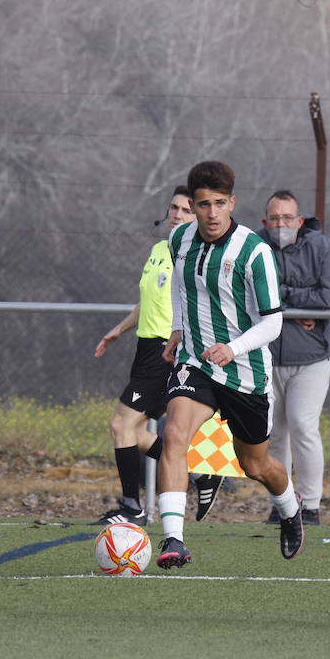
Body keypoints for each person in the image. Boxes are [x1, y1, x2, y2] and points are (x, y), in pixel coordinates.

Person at [155, 160, 304, 568]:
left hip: (245, 373)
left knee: (255, 465)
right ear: (193, 205)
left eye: (220, 203)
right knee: (174, 436)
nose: (212, 213)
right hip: (197, 363)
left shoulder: (254, 252)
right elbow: (184, 290)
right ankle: (173, 540)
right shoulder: (180, 240)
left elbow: (273, 322)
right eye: (203, 205)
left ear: (232, 202)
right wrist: (177, 329)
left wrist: (233, 348)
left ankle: (290, 511)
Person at [94, 187, 225, 524]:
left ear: (197, 216)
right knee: (132, 433)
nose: (178, 215)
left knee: (121, 424)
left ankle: (132, 508)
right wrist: (119, 330)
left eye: (186, 210)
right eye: (174, 208)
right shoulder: (158, 250)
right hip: (144, 348)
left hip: (166, 351)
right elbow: (146, 301)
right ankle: (198, 473)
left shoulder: (192, 255)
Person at [256, 190, 330, 525]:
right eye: (275, 218)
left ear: (299, 220)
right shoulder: (254, 246)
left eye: (287, 218)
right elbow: (250, 294)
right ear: (265, 221)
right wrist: (297, 308)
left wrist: (286, 300)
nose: (281, 224)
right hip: (265, 356)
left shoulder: (321, 247)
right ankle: (284, 504)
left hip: (312, 356)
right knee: (274, 433)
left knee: (304, 426)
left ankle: (310, 505)